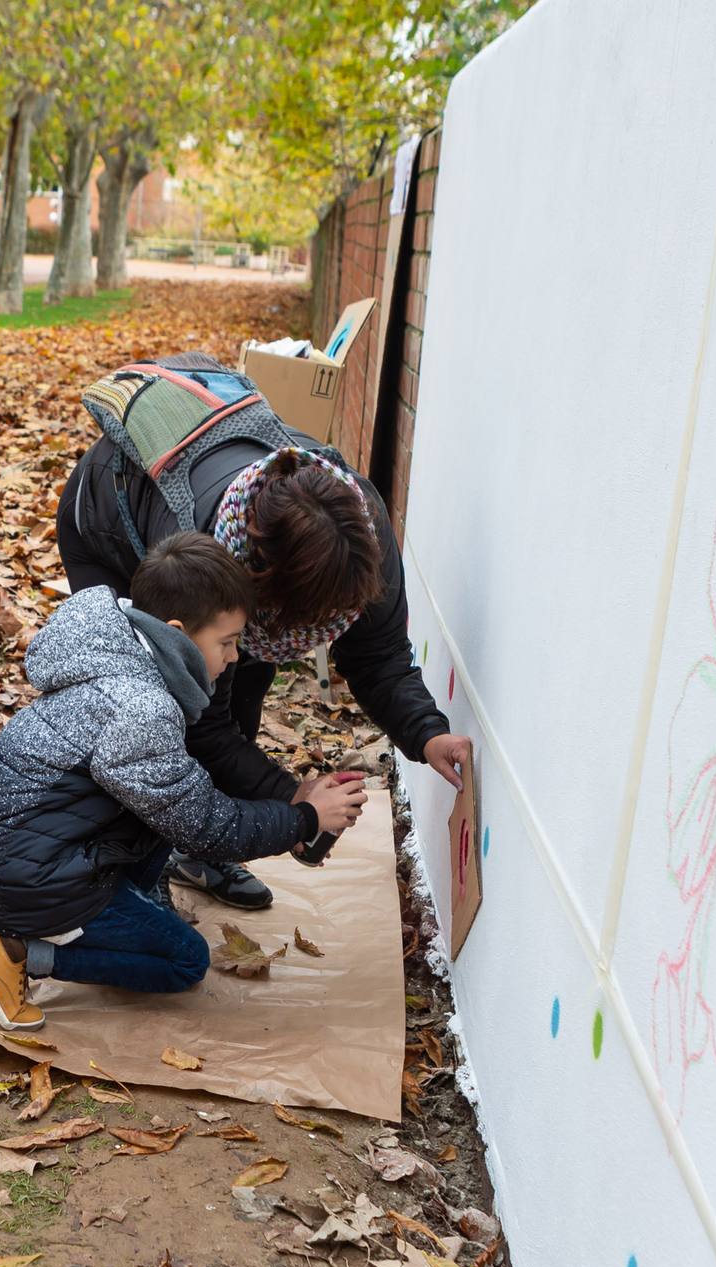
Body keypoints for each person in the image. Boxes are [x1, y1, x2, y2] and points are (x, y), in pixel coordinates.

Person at [57, 355, 475, 911]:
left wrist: (428, 734)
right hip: (107, 524)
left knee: (243, 691)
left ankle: (201, 851)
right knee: (143, 712)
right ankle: (134, 863)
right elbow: (201, 726)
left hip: (228, 563)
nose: (318, 637)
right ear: (262, 591)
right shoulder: (204, 555)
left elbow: (378, 656)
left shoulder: (357, 528)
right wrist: (292, 801)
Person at [0, 534, 370, 1030]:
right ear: (177, 633)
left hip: (17, 851)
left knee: (164, 808)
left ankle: (98, 921)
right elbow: (205, 828)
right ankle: (19, 951)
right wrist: (304, 818)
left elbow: (183, 799)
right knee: (184, 961)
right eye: (227, 642)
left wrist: (289, 805)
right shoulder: (142, 708)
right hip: (28, 881)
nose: (234, 657)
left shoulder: (115, 656)